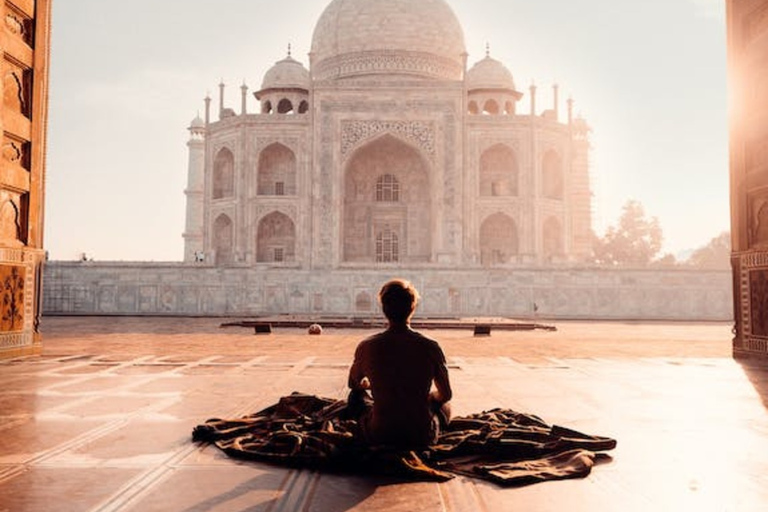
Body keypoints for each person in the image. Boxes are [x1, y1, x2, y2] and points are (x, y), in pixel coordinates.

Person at [347, 278, 452, 448]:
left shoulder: (368, 346)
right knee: (444, 405)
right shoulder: (430, 346)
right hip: (420, 436)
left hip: (379, 434)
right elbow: (445, 394)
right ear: (413, 307)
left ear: (384, 308)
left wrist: (373, 385)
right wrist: (430, 396)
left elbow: (353, 383)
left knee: (355, 397)